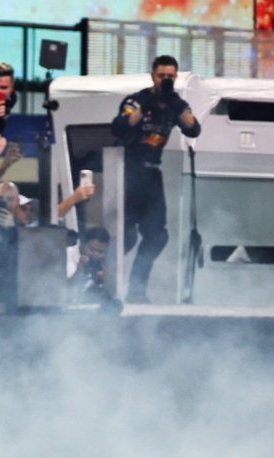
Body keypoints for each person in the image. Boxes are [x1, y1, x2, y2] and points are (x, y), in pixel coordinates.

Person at [110, 54, 200, 303]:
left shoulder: (176, 103)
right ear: (152, 76)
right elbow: (119, 127)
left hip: (151, 174)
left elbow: (193, 129)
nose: (166, 80)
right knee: (125, 236)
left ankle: (136, 290)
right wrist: (148, 105)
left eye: (170, 76)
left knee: (157, 236)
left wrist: (174, 103)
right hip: (127, 171)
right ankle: (100, 277)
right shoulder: (137, 100)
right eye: (162, 76)